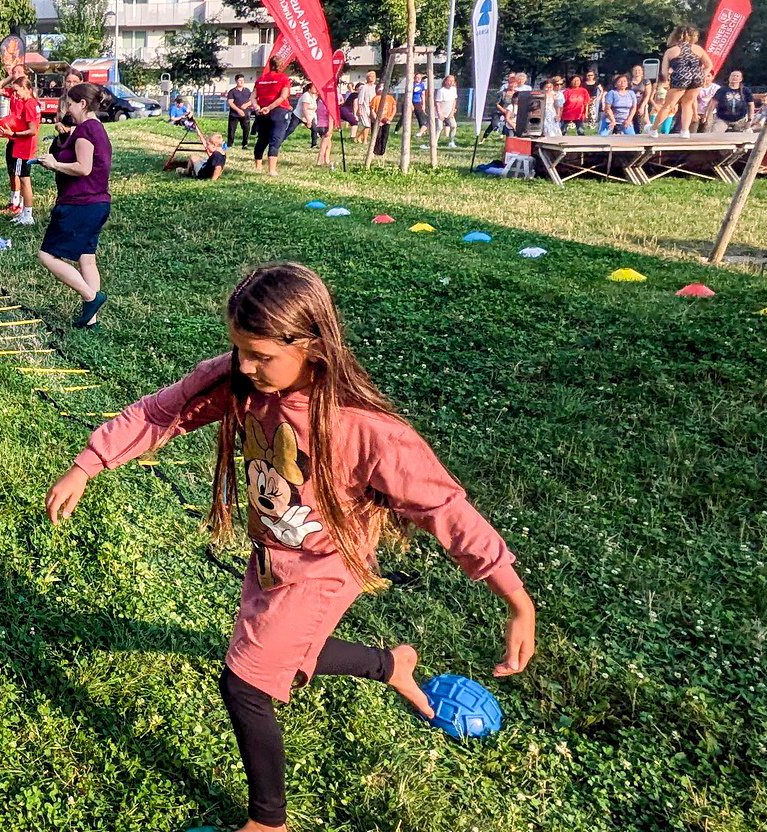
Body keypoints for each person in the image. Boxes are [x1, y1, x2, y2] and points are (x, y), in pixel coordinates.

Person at [44, 263, 535, 832]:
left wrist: (516, 598)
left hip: (326, 567)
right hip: (273, 557)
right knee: (284, 655)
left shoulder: (366, 429)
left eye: (261, 356)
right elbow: (163, 412)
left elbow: (445, 511)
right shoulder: (238, 377)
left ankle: (267, 823)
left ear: (313, 346)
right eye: (238, 350)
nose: (245, 369)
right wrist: (90, 463)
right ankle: (391, 665)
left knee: (246, 683)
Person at [34, 82, 113, 328]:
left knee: (47, 255)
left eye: (70, 104)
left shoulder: (85, 130)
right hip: (96, 203)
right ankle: (91, 321)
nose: (68, 109)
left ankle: (91, 297)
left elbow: (83, 167)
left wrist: (54, 164)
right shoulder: (96, 128)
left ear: (83, 104)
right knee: (87, 259)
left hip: (80, 204)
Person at [0, 74, 41, 226]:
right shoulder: (32, 103)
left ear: (25, 88)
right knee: (22, 179)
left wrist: (13, 134)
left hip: (24, 147)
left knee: (24, 180)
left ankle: (28, 215)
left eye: (17, 91)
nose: (14, 94)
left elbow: (32, 130)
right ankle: (24, 213)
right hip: (24, 147)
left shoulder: (29, 105)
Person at [659, 27, 716, 135]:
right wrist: (702, 75)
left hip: (681, 76)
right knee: (688, 104)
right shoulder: (698, 49)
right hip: (696, 76)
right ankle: (685, 131)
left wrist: (668, 79)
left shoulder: (672, 50)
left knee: (669, 105)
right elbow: (709, 65)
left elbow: (664, 71)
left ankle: (653, 128)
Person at [251, 57, 295, 175]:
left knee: (262, 139)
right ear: (281, 66)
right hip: (278, 111)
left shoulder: (260, 79)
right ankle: (272, 170)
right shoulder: (284, 78)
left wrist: (257, 107)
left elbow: (252, 97)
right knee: (275, 140)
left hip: (261, 112)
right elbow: (283, 97)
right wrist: (269, 108)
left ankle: (258, 167)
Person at [226, 76, 256, 148]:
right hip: (234, 114)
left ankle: (245, 144)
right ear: (236, 81)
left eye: (243, 80)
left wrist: (246, 104)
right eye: (240, 80)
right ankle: (230, 144)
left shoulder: (247, 90)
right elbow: (230, 102)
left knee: (246, 129)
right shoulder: (232, 91)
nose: (242, 82)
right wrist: (238, 110)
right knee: (231, 130)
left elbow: (251, 99)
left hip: (245, 114)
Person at [434, 75, 460, 145]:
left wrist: (452, 111)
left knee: (453, 126)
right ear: (445, 81)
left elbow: (454, 100)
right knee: (439, 127)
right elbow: (437, 103)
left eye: (453, 81)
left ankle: (451, 141)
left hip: (449, 112)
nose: (451, 82)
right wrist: (440, 113)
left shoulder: (454, 89)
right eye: (449, 81)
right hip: (440, 113)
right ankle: (434, 142)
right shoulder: (441, 91)